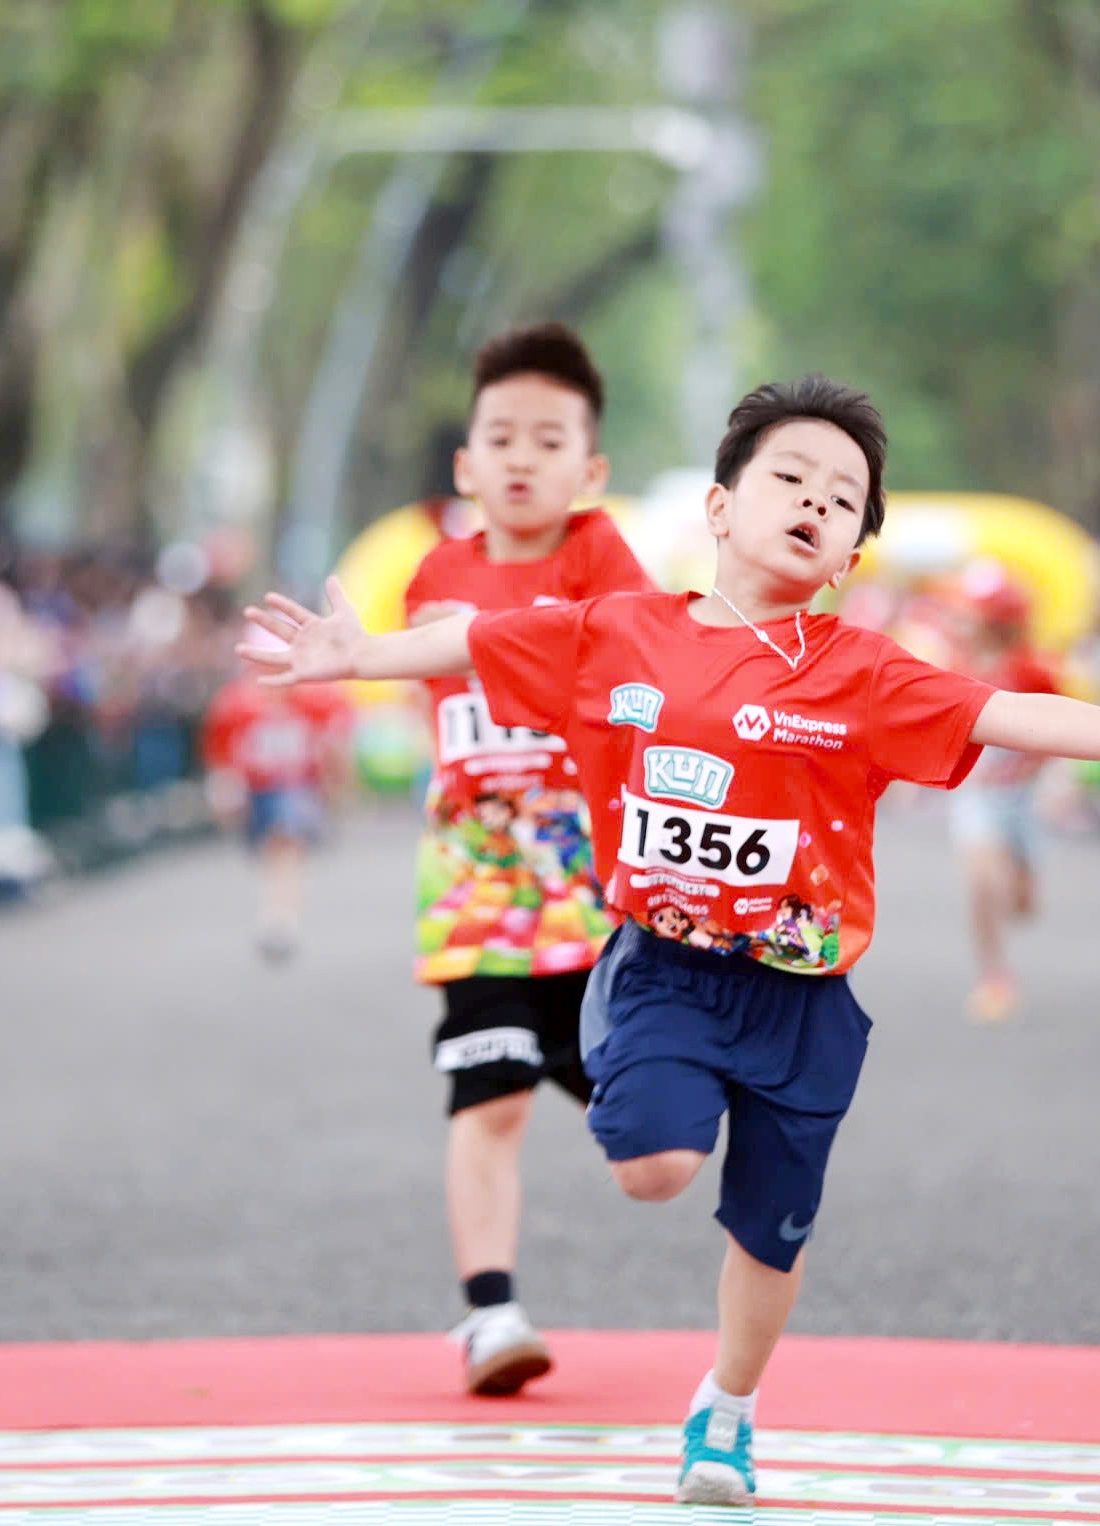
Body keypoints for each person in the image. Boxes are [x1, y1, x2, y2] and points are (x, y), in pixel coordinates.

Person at [239, 374, 1100, 1506]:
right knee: (652, 1165)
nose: (813, 502)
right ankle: (629, 1061)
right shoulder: (618, 634)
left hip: (803, 995)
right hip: (664, 968)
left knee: (771, 1234)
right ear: (722, 509)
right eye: (789, 476)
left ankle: (725, 1411)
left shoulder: (866, 674)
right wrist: (350, 657)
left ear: (847, 557)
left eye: (842, 501)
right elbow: (472, 642)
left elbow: (997, 713)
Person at [396, 322, 655, 1395]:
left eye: (546, 440)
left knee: (648, 1143)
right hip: (478, 888)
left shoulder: (600, 555)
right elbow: (428, 676)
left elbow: (629, 647)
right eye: (498, 436)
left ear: (588, 468)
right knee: (486, 1101)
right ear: (465, 464)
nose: (518, 457)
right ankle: (489, 1312)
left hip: (596, 894)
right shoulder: (434, 571)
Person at [943, 561, 1061, 1022]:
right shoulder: (958, 666)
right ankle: (994, 975)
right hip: (976, 796)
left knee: (1021, 901)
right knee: (982, 881)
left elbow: (1061, 726)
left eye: (968, 612)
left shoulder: (1032, 671)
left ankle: (1020, 887)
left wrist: (1031, 768)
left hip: (1021, 799)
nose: (959, 620)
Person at [200, 641, 354, 962]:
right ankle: (279, 907)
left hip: (298, 788)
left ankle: (280, 917)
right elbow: (220, 754)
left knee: (286, 844)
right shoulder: (235, 704)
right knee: (271, 852)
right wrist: (224, 791)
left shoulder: (316, 699)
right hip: (258, 791)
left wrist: (336, 786)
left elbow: (336, 747)